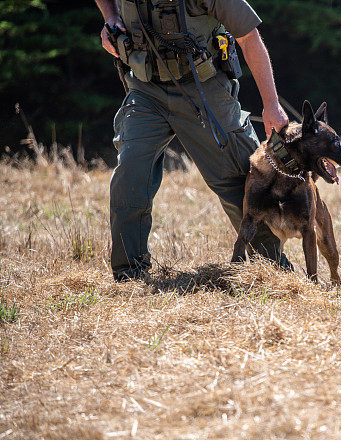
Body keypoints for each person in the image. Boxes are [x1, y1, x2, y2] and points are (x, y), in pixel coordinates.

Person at [94, 0, 291, 281]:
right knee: (130, 174)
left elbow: (249, 38)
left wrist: (271, 104)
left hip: (205, 88)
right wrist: (111, 16)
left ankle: (272, 270)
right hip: (146, 89)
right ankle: (130, 274)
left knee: (240, 179)